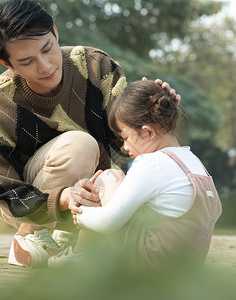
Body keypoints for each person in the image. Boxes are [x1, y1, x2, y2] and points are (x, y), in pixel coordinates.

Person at [0, 0, 179, 268]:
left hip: (90, 187)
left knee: (119, 187)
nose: (45, 66)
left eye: (48, 49)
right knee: (80, 145)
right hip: (26, 199)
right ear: (6, 62)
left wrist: (154, 112)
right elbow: (5, 193)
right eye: (27, 61)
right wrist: (63, 197)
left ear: (55, 33)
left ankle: (73, 241)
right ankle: (26, 237)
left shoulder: (97, 66)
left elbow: (125, 140)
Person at [48, 79, 222, 269]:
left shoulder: (152, 163)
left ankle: (78, 256)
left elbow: (109, 222)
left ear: (147, 132)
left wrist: (81, 216)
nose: (125, 146)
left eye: (125, 137)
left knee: (110, 177)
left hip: (149, 265)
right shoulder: (194, 163)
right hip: (185, 270)